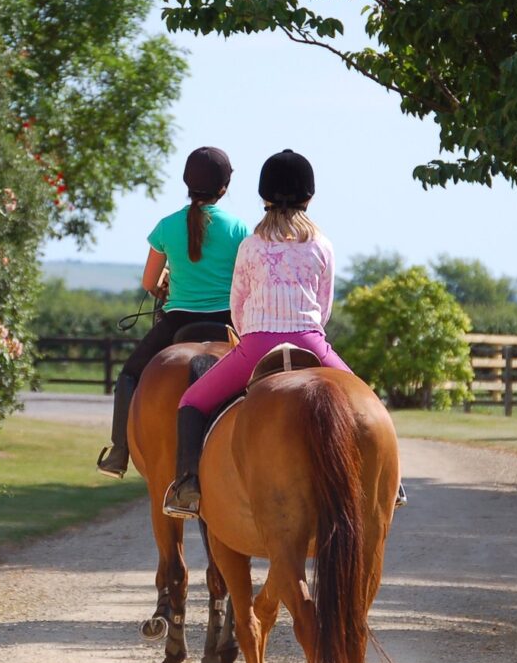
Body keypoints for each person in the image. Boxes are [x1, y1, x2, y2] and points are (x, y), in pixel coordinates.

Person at [163, 148, 354, 517]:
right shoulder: (322, 245)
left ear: (263, 197)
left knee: (191, 402)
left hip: (256, 345)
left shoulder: (250, 245)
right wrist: (306, 330)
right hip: (310, 342)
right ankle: (390, 484)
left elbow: (238, 304)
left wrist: (253, 333)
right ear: (309, 196)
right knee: (365, 403)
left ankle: (187, 486)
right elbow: (324, 306)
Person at [97, 146, 250, 478]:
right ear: (224, 187)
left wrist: (166, 284)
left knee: (128, 374)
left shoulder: (166, 226)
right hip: (228, 322)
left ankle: (119, 451)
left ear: (186, 182)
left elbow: (149, 281)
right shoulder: (239, 229)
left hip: (178, 320)